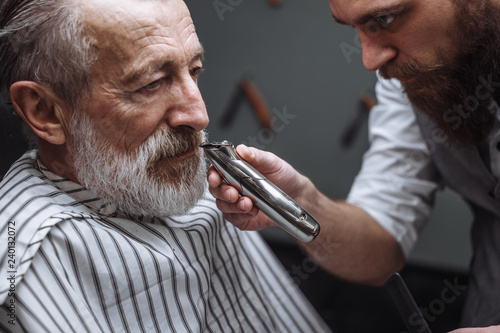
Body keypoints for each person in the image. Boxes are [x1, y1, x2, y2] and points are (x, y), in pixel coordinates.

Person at [0, 0, 332, 332]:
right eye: (151, 83)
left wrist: (305, 198)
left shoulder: (191, 181)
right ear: (45, 111)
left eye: (194, 70)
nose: (199, 115)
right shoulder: (27, 263)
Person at [208, 0, 500, 331]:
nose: (370, 60)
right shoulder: (409, 75)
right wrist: (301, 203)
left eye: (387, 18)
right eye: (355, 29)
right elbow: (379, 246)